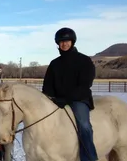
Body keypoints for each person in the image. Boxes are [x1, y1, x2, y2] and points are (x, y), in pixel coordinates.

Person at [42, 27, 98, 161]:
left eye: (67, 41)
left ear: (72, 42)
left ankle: (89, 157)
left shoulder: (84, 61)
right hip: (57, 101)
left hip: (79, 99)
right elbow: (47, 85)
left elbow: (85, 84)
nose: (64, 44)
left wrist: (66, 98)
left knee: (84, 125)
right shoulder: (54, 63)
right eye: (61, 41)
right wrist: (50, 98)